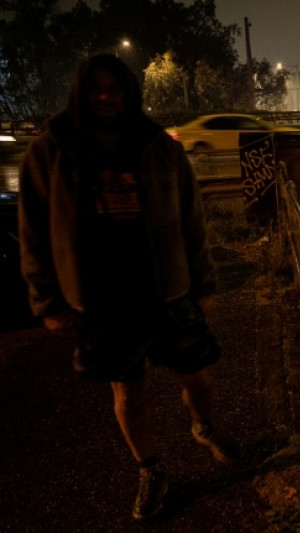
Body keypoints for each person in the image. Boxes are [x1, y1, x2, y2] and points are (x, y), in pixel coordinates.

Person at [18, 53, 238, 522]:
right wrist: (46, 299)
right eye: (96, 87)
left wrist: (203, 280)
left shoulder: (159, 145)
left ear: (129, 92)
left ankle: (204, 425)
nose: (105, 96)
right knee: (127, 394)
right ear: (81, 91)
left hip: (168, 289)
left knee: (198, 374)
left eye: (114, 88)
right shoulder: (53, 149)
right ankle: (150, 471)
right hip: (103, 301)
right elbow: (33, 228)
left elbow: (190, 218)